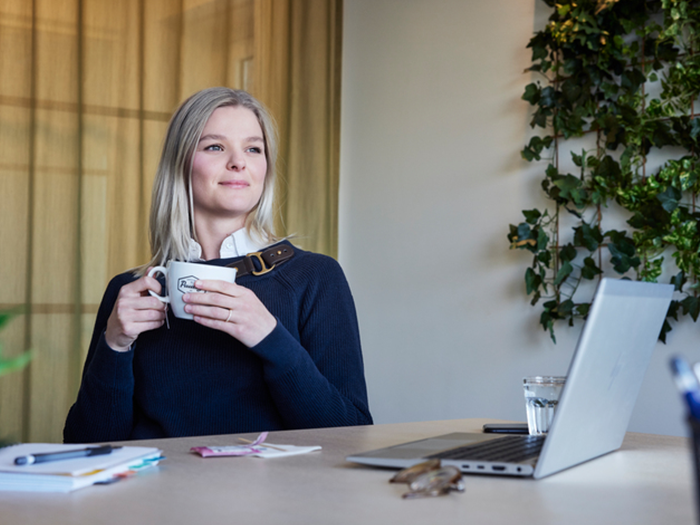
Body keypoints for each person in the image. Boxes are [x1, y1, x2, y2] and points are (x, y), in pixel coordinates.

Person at [64, 87, 373, 443]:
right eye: (215, 147)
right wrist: (115, 346)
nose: (239, 162)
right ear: (180, 162)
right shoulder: (133, 291)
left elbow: (350, 434)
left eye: (253, 149)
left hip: (272, 481)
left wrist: (269, 336)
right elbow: (83, 446)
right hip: (156, 480)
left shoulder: (315, 277)